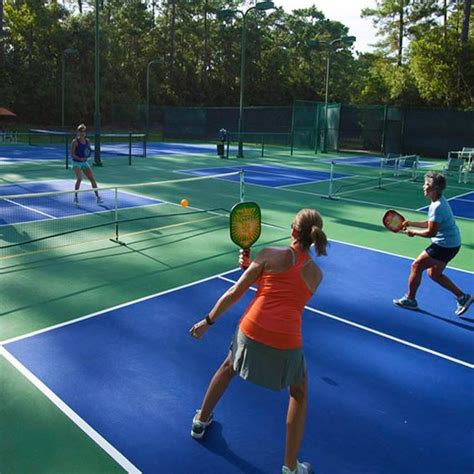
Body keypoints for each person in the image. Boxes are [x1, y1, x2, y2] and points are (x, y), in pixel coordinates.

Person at [189, 209, 328, 474]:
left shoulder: (268, 255)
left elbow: (237, 291)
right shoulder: (316, 275)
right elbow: (286, 293)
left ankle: (200, 421)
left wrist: (207, 321)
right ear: (313, 237)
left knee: (229, 367)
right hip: (288, 339)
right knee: (298, 393)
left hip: (251, 329)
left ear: (293, 230)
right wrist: (253, 268)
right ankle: (290, 467)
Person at [393, 171, 472, 316]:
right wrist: (411, 223)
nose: (424, 187)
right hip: (452, 244)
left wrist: (413, 232)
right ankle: (463, 297)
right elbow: (431, 224)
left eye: (427, 184)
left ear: (435, 189)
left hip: (444, 245)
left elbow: (431, 232)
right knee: (434, 274)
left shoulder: (437, 206)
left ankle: (410, 300)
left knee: (416, 265)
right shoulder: (438, 201)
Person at [71, 124, 103, 205]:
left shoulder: (87, 141)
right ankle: (75, 197)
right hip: (76, 162)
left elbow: (88, 151)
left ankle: (98, 197)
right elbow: (72, 154)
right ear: (78, 132)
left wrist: (86, 157)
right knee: (80, 178)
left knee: (92, 178)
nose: (83, 133)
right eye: (81, 131)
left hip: (84, 163)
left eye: (84, 131)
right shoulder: (75, 142)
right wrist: (80, 158)